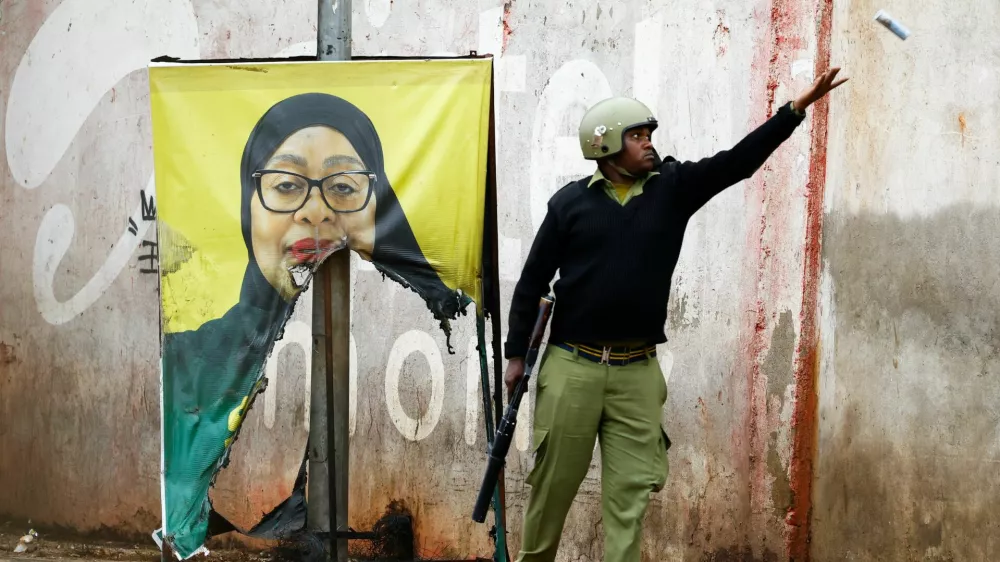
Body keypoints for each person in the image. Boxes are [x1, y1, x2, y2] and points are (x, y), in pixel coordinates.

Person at [503, 68, 848, 562]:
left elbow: (736, 163)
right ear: (605, 146)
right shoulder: (569, 205)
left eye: (649, 134)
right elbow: (532, 282)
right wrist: (516, 355)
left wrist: (793, 111)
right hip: (572, 369)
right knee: (551, 491)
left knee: (630, 501)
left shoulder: (673, 188)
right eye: (637, 136)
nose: (648, 142)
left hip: (637, 375)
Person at [160, 92, 466, 558]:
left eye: (343, 187)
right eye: (286, 185)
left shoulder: (446, 293)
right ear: (247, 205)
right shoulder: (191, 357)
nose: (316, 212)